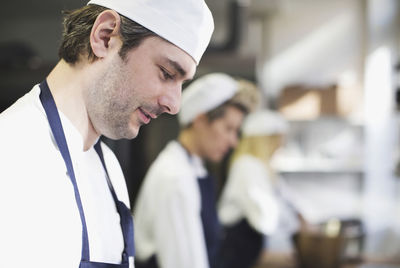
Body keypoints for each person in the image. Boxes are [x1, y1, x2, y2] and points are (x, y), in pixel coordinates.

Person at [0, 0, 214, 267]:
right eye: (167, 73)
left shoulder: (109, 168)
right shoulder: (10, 152)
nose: (174, 104)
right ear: (105, 37)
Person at [134, 73, 260, 268]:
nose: (234, 141)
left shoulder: (193, 168)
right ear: (200, 120)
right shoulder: (175, 178)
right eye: (228, 128)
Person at [217, 109, 292, 268]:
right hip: (238, 253)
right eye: (278, 140)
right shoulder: (247, 166)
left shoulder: (261, 167)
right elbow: (265, 220)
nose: (280, 145)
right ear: (266, 140)